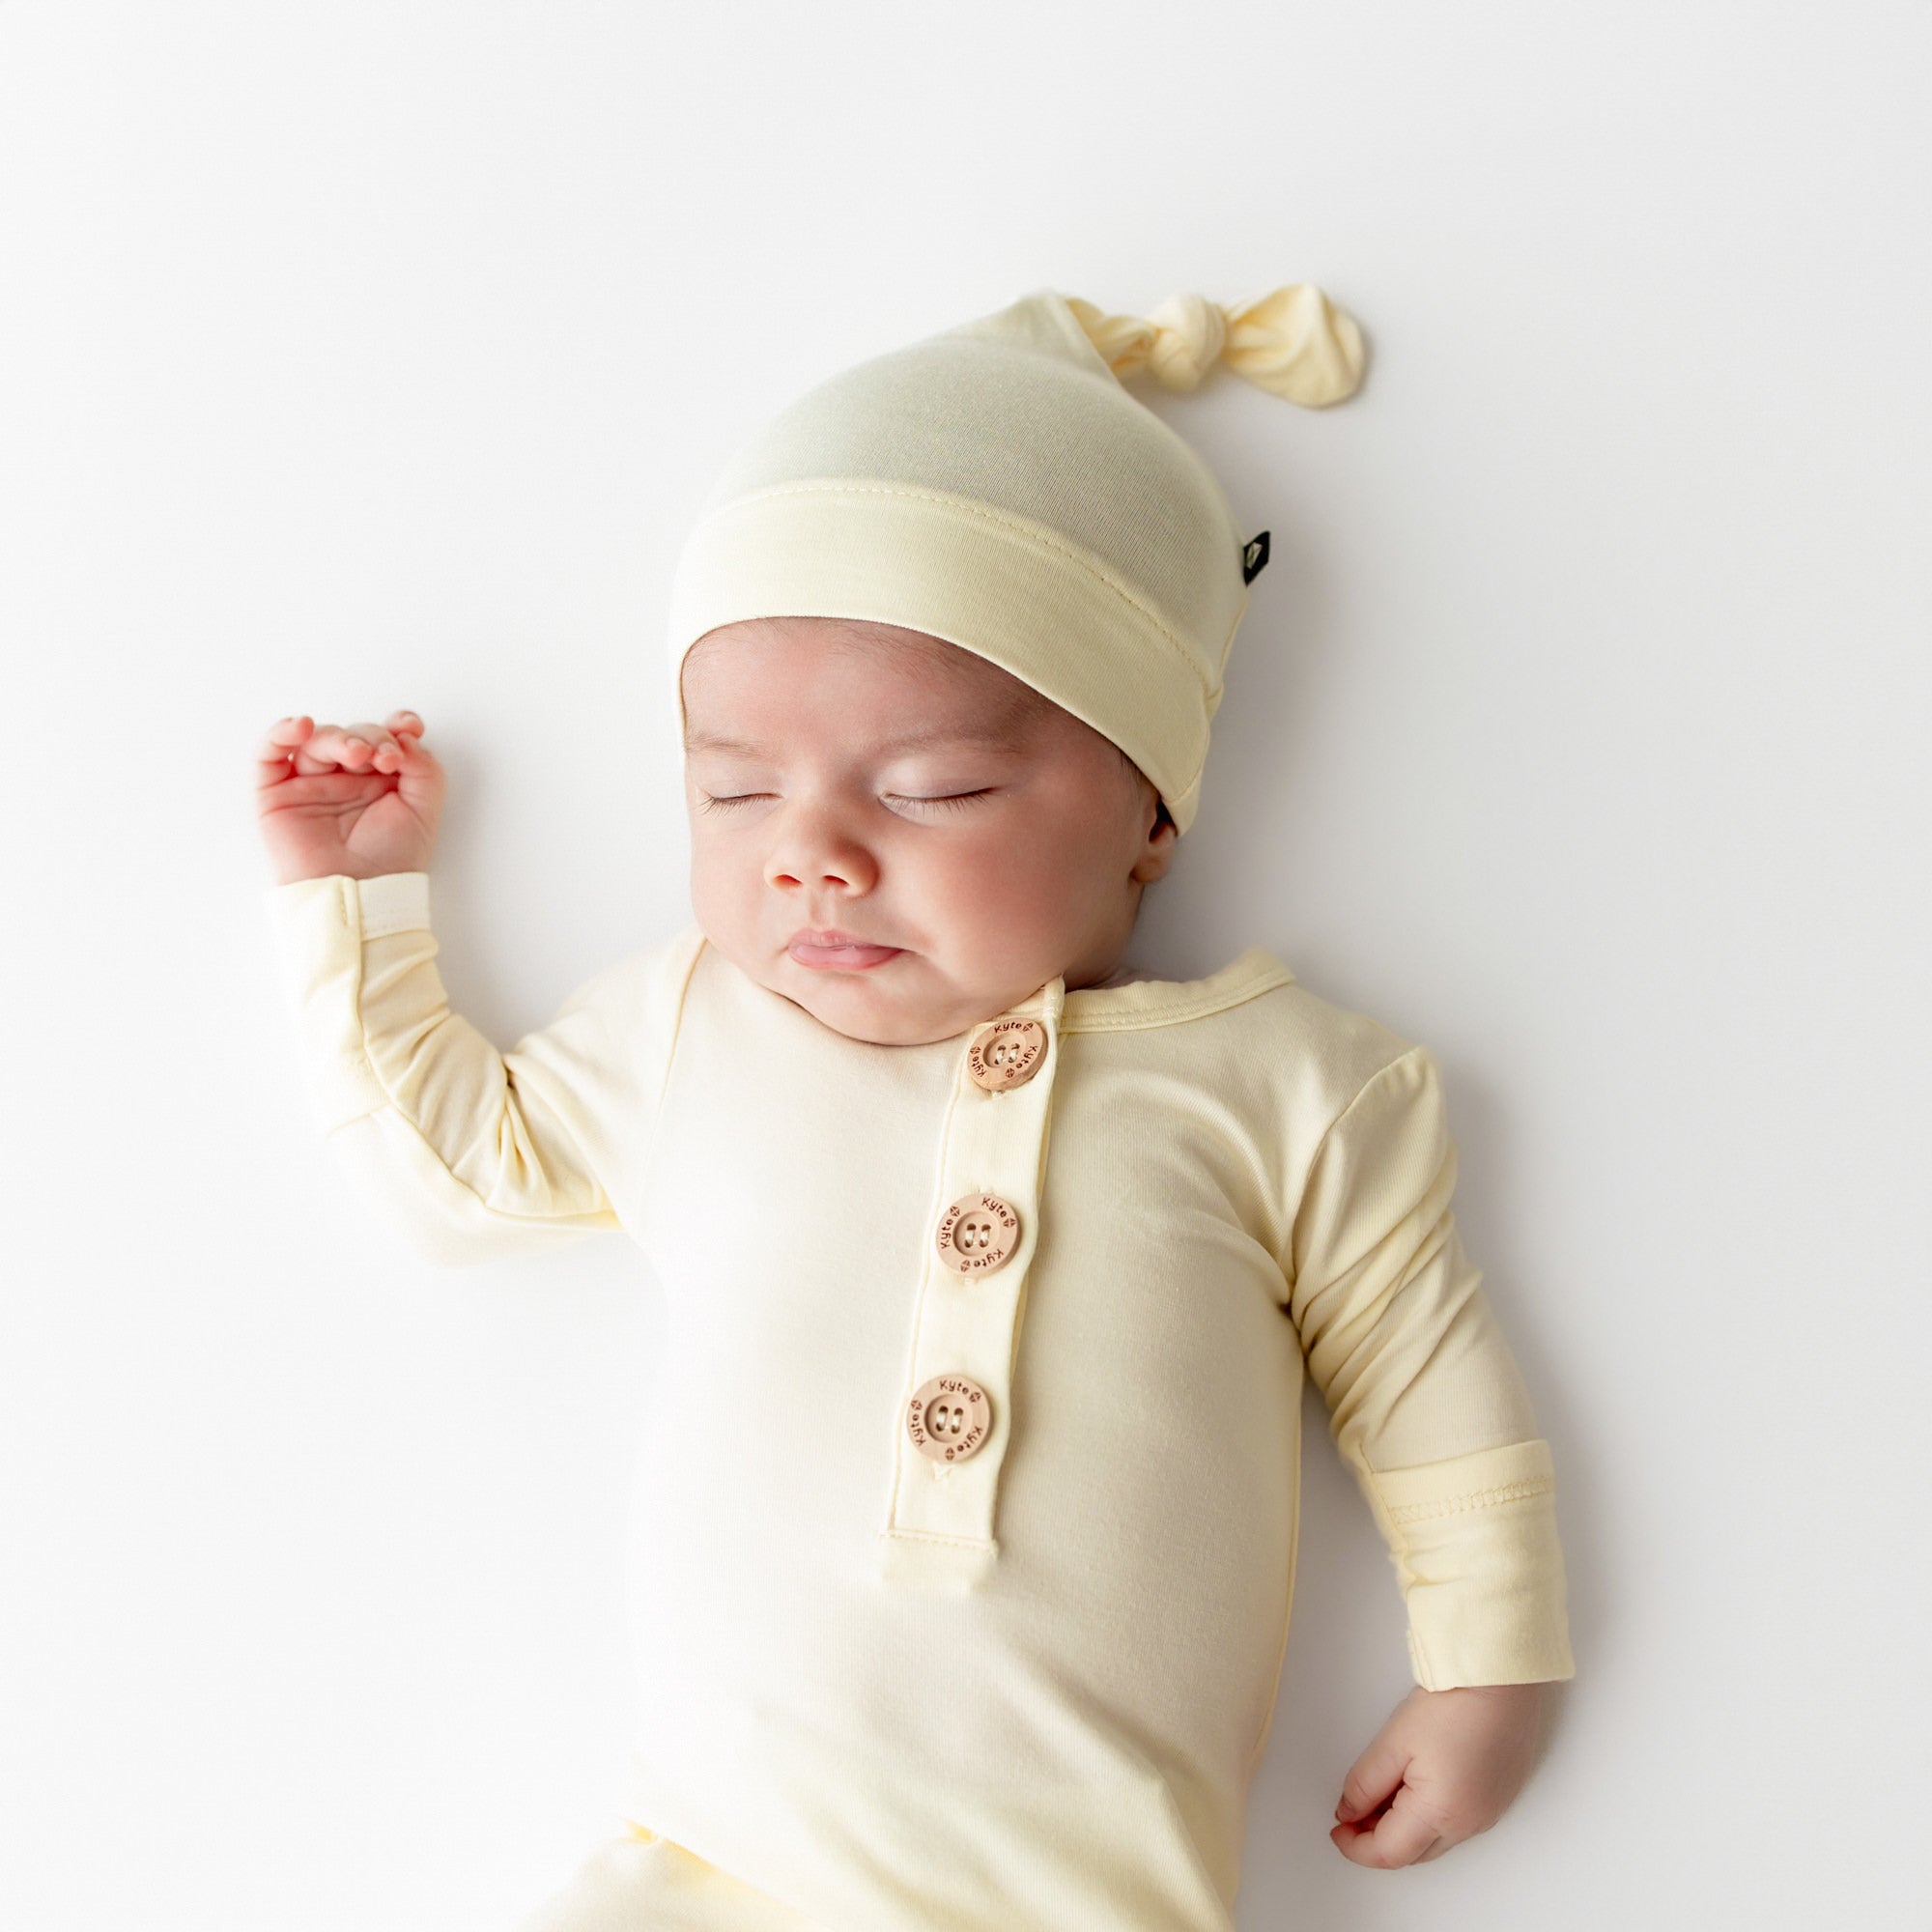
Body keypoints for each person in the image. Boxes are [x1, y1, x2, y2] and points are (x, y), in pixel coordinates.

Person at [255, 283, 1575, 1931]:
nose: (810, 850)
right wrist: (358, 909)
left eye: (930, 787)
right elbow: (453, 1178)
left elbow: (1430, 1391)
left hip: (1098, 1890)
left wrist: (1488, 1667)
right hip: (715, 1863)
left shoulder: (1293, 1086)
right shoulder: (697, 1030)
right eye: (733, 789)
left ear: (1150, 811)